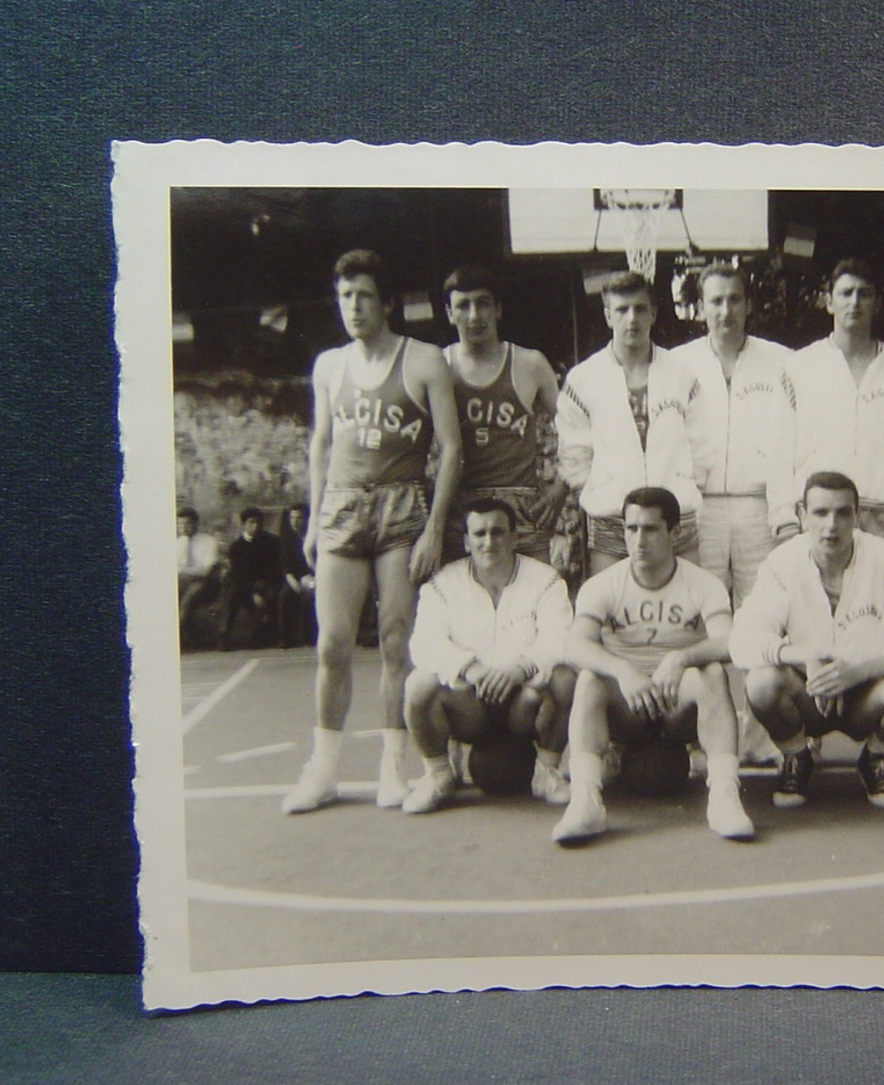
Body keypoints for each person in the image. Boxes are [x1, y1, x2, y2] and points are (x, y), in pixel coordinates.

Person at [283, 249, 462, 814]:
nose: (353, 306)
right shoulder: (328, 366)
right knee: (332, 643)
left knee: (394, 639)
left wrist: (434, 527)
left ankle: (392, 767)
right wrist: (313, 520)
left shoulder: (424, 359)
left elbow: (452, 447)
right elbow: (321, 445)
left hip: (401, 506)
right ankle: (324, 769)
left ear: (386, 302)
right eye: (344, 296)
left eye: (363, 295)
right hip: (342, 505)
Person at [552, 487, 752, 846]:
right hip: (627, 707)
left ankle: (723, 796)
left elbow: (730, 642)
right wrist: (623, 671)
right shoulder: (604, 584)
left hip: (677, 707)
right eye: (631, 529)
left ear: (674, 533)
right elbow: (575, 645)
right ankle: (586, 801)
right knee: (590, 680)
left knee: (711, 674)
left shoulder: (702, 583)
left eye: (651, 529)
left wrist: (681, 657)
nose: (639, 540)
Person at [729, 471, 884, 809]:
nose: (832, 525)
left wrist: (862, 669)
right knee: (761, 682)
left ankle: (875, 757)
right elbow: (743, 638)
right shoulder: (782, 562)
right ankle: (796, 755)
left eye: (843, 513)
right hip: (810, 694)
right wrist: (806, 658)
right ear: (802, 516)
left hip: (867, 695)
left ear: (857, 517)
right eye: (821, 513)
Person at [670, 263, 794, 765]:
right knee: (702, 625)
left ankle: (765, 739)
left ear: (748, 304)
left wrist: (785, 513)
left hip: (757, 507)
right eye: (716, 301)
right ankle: (704, 732)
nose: (726, 310)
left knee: (761, 619)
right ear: (700, 308)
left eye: (735, 300)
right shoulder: (676, 364)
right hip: (698, 509)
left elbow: (790, 442)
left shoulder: (781, 363)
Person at [399, 498, 576, 814]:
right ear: (466, 541)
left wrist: (520, 668)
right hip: (471, 705)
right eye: (479, 534)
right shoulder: (443, 584)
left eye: (497, 532)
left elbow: (561, 637)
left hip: (523, 703)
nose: (488, 541)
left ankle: (547, 771)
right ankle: (439, 775)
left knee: (565, 679)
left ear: (514, 537)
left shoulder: (545, 579)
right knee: (418, 684)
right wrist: (471, 669)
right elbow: (424, 644)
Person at [772, 259, 884, 560]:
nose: (854, 302)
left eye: (864, 294)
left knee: (879, 605)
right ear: (828, 302)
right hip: (820, 513)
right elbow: (779, 449)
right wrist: (783, 518)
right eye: (846, 293)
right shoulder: (800, 366)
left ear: (877, 303)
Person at [556, 271, 702, 576]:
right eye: (622, 310)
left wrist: (683, 484)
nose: (631, 318)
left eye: (640, 308)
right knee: (614, 611)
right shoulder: (583, 379)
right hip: (613, 518)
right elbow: (574, 451)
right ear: (608, 316)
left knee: (685, 604)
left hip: (675, 514)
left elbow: (702, 441)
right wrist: (602, 492)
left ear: (653, 313)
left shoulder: (681, 374)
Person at [440, 266, 568, 566]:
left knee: (533, 597)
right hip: (462, 505)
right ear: (449, 313)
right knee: (465, 603)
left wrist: (561, 488)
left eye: (483, 303)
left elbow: (577, 429)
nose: (474, 316)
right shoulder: (439, 366)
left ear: (498, 309)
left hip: (521, 503)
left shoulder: (530, 363)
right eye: (463, 305)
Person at [218, 506, 284, 650]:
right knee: (231, 594)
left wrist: (260, 590)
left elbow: (276, 570)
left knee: (273, 595)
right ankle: (223, 635)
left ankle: (263, 637)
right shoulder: (236, 547)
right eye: (252, 522)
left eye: (259, 522)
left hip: (267, 585)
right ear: (244, 525)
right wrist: (253, 592)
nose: (256, 526)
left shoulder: (272, 542)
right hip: (245, 587)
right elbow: (238, 574)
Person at [176, 506, 221, 645]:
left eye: (188, 523)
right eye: (180, 524)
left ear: (196, 523)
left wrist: (182, 570)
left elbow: (206, 572)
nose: (184, 527)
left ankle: (177, 638)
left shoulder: (209, 542)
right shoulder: (175, 544)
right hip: (183, 581)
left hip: (206, 584)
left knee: (188, 599)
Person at [277, 504, 317, 649]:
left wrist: (313, 579)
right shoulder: (286, 539)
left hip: (313, 577)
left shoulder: (314, 538)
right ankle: (284, 639)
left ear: (306, 520)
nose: (295, 521)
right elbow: (286, 568)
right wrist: (296, 584)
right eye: (292, 518)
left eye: (299, 518)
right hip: (294, 578)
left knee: (313, 596)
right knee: (286, 595)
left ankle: (310, 638)